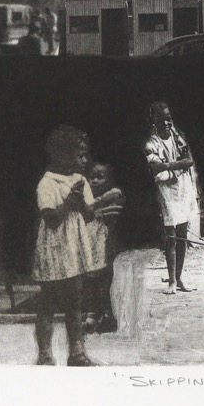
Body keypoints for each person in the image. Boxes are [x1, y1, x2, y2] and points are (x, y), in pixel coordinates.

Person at [32, 125, 97, 366]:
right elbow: (50, 218)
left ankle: (77, 352)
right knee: (48, 302)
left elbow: (90, 214)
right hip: (54, 250)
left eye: (84, 155)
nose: (84, 160)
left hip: (73, 250)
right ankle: (45, 353)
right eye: (78, 155)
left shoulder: (80, 180)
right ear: (59, 154)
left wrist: (81, 204)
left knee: (75, 301)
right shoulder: (48, 183)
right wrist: (69, 202)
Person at [144, 100, 199, 294]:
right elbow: (155, 167)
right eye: (161, 120)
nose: (166, 124)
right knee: (171, 237)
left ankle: (179, 278)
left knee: (182, 235)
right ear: (154, 122)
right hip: (167, 191)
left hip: (182, 188)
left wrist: (168, 166)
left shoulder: (179, 138)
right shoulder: (151, 143)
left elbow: (189, 161)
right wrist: (178, 165)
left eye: (168, 119)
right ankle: (171, 281)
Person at [84, 161, 126, 333]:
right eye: (91, 177)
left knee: (105, 282)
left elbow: (114, 198)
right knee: (91, 281)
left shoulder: (114, 194)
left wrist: (94, 207)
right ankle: (93, 314)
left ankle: (108, 315)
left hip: (106, 244)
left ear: (109, 180)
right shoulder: (86, 199)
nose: (94, 181)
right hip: (91, 245)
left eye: (99, 177)